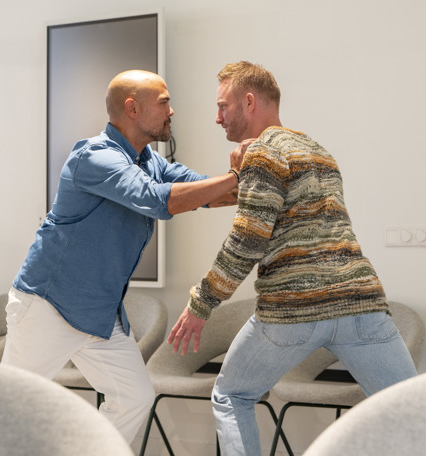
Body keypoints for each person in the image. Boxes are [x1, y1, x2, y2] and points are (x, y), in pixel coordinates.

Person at [168, 61, 417, 456]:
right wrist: (241, 174)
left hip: (294, 309)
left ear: (249, 102)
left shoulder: (263, 153)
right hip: (360, 303)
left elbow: (247, 241)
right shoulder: (319, 151)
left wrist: (201, 303)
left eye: (222, 106)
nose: (217, 117)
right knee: (410, 413)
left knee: (232, 395)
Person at [1, 69, 250, 444]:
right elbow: (157, 200)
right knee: (8, 408)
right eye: (164, 103)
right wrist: (234, 176)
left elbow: (201, 192)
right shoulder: (94, 157)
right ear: (133, 109)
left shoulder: (149, 160)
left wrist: (256, 180)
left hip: (100, 315)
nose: (171, 111)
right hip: (48, 307)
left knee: (134, 398)